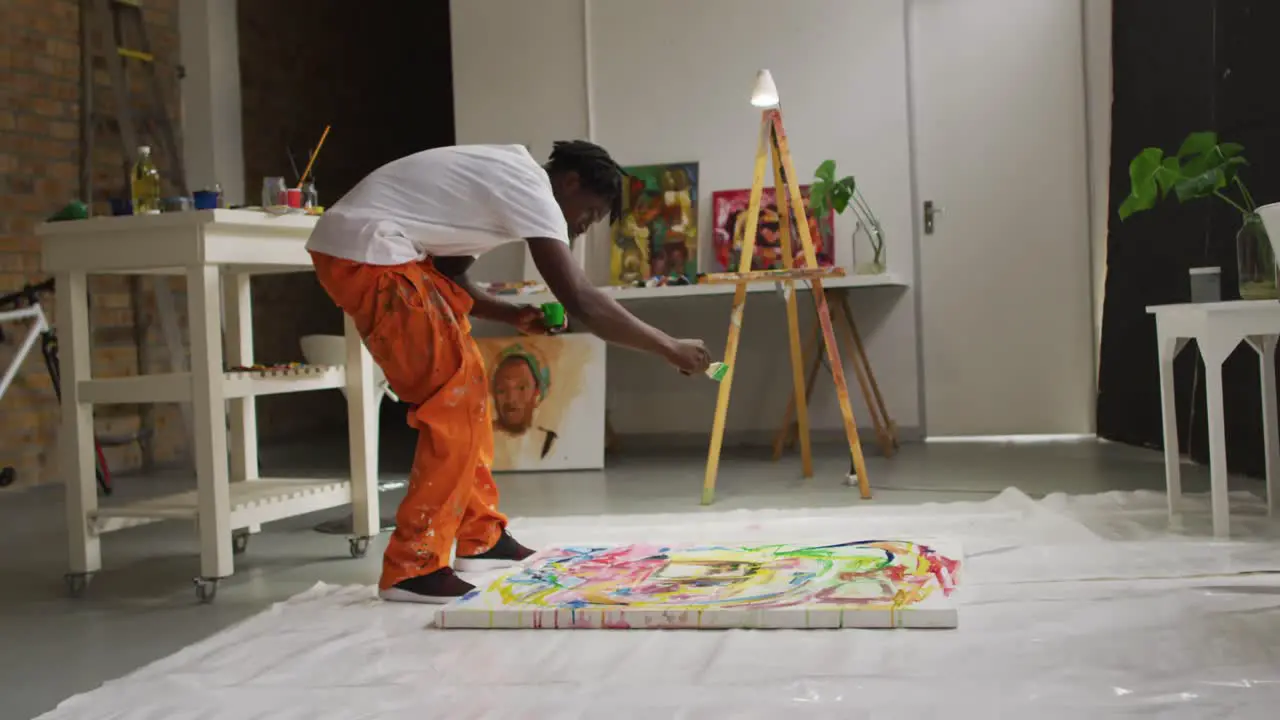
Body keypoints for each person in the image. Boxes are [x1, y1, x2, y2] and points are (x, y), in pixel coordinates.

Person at [305, 141, 712, 604]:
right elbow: (580, 298)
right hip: (373, 254)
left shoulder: (506, 186)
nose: (582, 226)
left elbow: (448, 273)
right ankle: (412, 566)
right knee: (452, 400)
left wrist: (513, 315)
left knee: (471, 387)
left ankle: (480, 537)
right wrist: (669, 346)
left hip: (385, 254)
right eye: (591, 213)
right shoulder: (533, 189)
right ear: (570, 183)